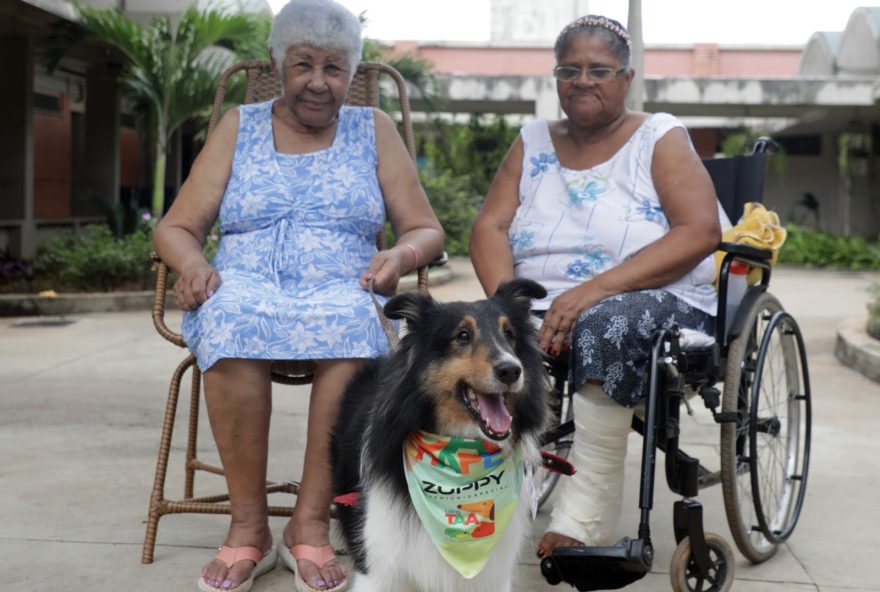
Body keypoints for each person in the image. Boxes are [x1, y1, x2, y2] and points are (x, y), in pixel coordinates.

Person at [153, 0, 444, 590]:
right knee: (230, 317)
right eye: (303, 64)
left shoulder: (373, 129)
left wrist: (400, 255)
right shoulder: (241, 124)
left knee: (354, 327)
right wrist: (190, 264)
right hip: (245, 284)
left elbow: (426, 228)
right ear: (277, 64)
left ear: (353, 73)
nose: (317, 81)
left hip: (342, 284)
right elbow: (175, 226)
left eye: (334, 68)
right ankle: (247, 528)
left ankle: (309, 526)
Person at [469, 15, 722, 559]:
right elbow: (489, 226)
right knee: (458, 336)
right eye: (570, 69)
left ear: (627, 78)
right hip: (541, 302)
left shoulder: (660, 136)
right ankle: (471, 492)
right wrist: (505, 306)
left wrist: (592, 291)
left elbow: (700, 231)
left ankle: (586, 515)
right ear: (556, 76)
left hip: (655, 299)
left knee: (605, 324)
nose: (583, 80)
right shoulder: (532, 139)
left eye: (599, 70)